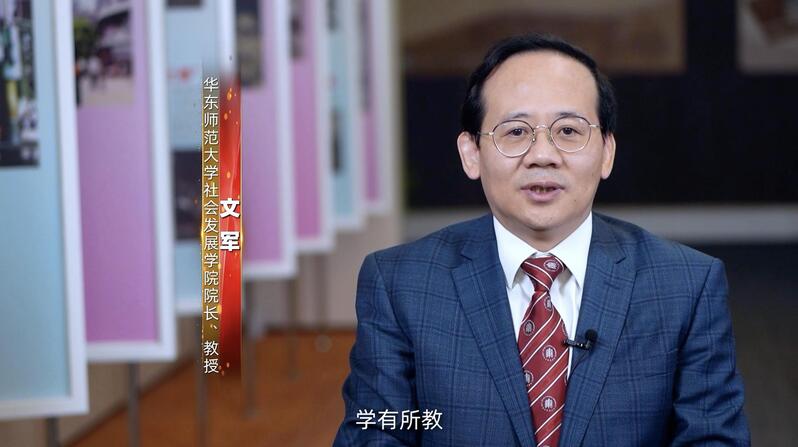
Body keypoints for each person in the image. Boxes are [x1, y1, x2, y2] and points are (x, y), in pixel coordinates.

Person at [334, 33, 749, 446]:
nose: (543, 155)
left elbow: (712, 438)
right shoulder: (401, 284)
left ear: (606, 151)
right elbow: (377, 433)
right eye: (516, 132)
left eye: (568, 130)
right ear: (471, 153)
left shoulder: (685, 285)